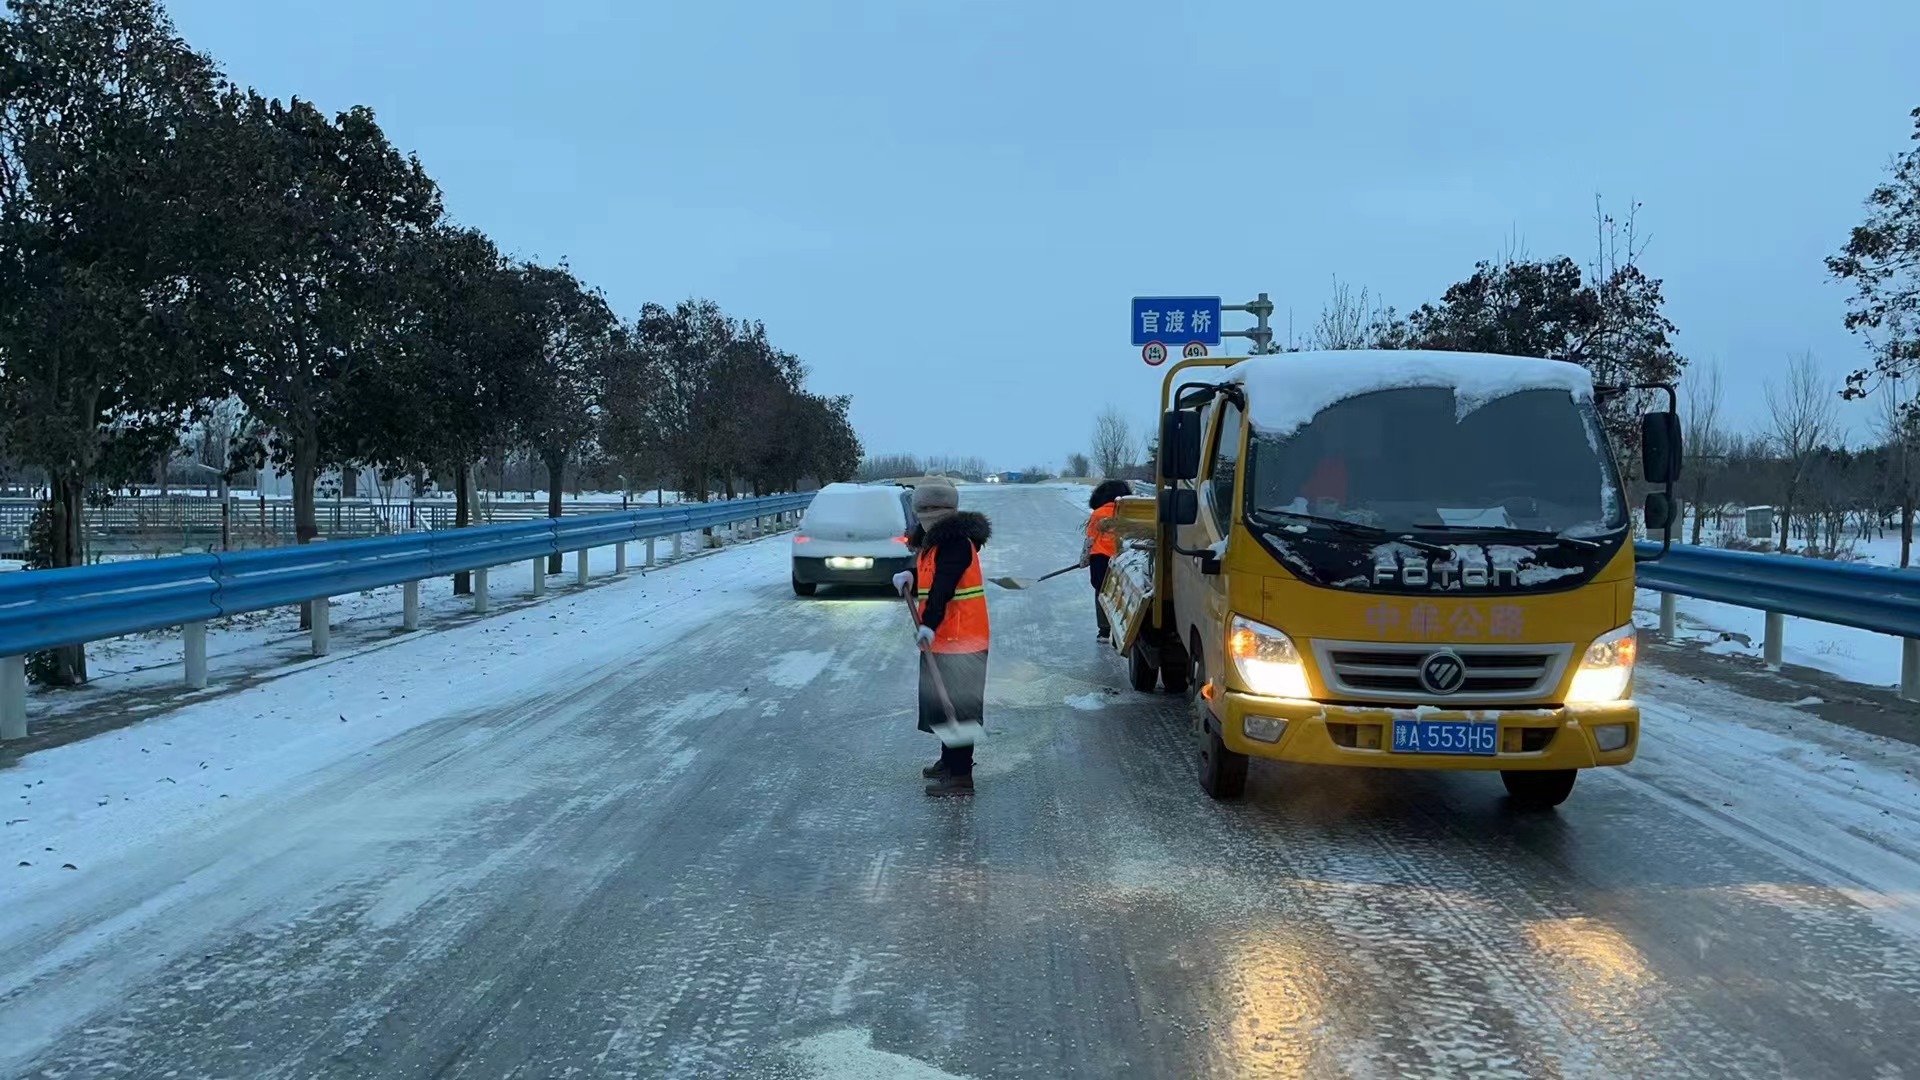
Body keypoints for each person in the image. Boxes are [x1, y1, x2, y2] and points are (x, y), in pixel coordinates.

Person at [891, 481, 992, 797]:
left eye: (931, 510)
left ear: (946, 511)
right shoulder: (933, 542)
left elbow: (944, 585)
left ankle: (962, 776)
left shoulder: (956, 543)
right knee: (942, 706)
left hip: (963, 640)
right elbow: (931, 572)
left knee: (958, 708)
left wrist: (929, 623)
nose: (925, 516)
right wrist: (911, 573)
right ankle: (949, 762)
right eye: (922, 509)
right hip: (945, 638)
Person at [1082, 480, 1130, 641]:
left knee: (1101, 591)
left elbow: (1090, 539)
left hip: (1100, 559)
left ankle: (1104, 630)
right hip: (1123, 558)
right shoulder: (1128, 512)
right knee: (1121, 593)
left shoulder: (1098, 513)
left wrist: (1085, 558)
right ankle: (1122, 627)